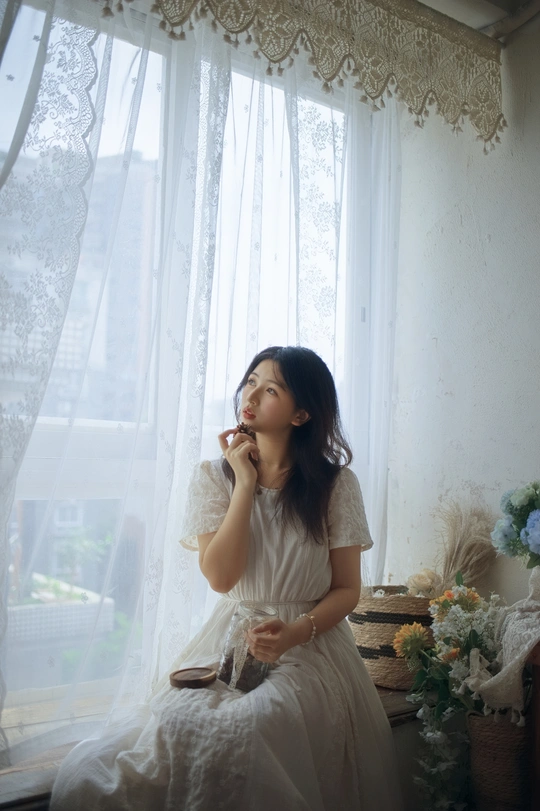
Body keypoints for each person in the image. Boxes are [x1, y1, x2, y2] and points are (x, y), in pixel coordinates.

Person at [50, 345, 405, 811]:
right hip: (231, 637)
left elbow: (346, 590)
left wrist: (293, 633)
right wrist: (244, 483)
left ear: (301, 414)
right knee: (175, 723)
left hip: (310, 645)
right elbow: (220, 578)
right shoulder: (213, 477)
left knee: (255, 727)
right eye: (251, 381)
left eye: (271, 389)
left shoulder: (335, 485)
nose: (250, 395)